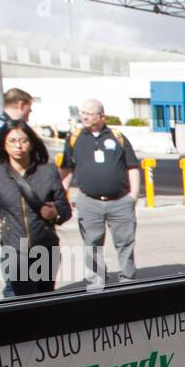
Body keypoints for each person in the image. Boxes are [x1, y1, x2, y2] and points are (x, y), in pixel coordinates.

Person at [0, 120, 70, 295]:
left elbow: (65, 210)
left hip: (45, 248)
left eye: (23, 140)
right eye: (12, 141)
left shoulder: (48, 171)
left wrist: (55, 213)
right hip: (15, 250)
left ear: (32, 143)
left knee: (45, 298)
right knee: (26, 301)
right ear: (4, 145)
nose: (18, 145)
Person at [60, 99, 140, 289]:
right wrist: (61, 195)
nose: (84, 116)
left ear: (101, 116)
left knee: (125, 243)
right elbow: (66, 169)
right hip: (89, 201)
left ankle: (128, 280)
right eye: (82, 112)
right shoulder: (74, 138)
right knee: (92, 243)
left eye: (89, 113)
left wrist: (133, 196)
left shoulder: (117, 137)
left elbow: (132, 167)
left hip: (120, 201)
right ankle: (97, 281)